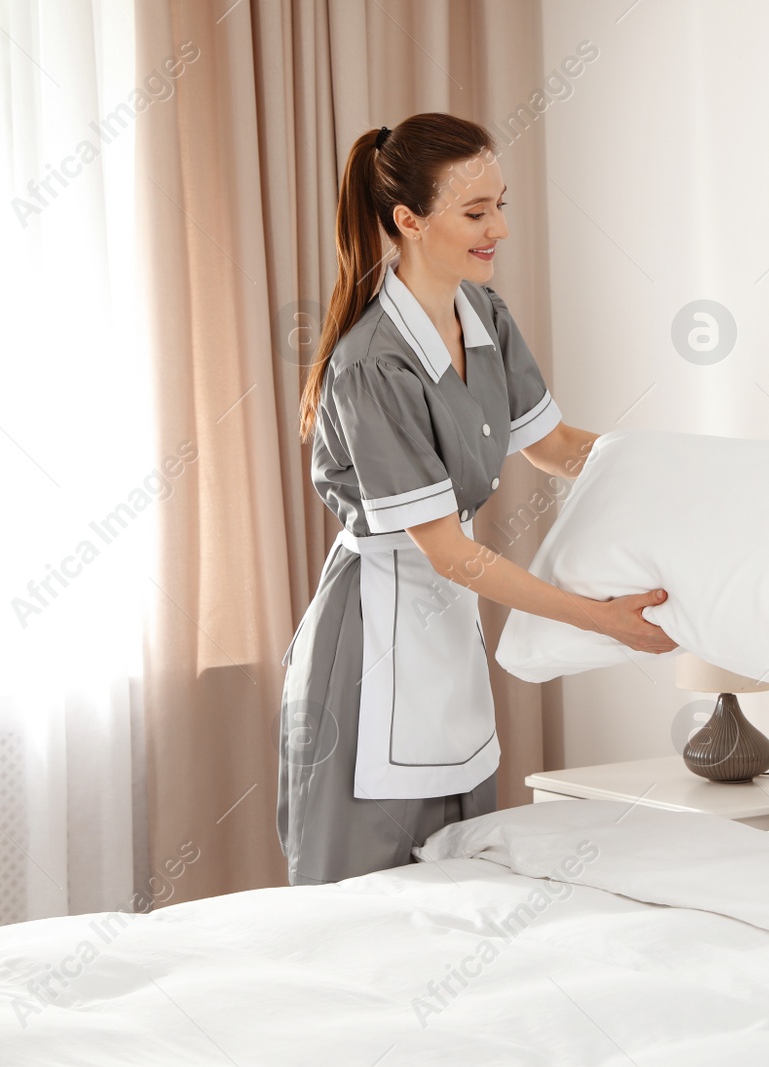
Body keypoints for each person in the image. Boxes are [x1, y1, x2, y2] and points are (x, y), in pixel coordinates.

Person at [276, 112, 677, 886]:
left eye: (501, 204)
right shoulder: (373, 365)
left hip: (444, 632)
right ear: (408, 221)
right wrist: (601, 619)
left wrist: (675, 471)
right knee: (358, 906)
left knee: (459, 895)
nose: (498, 227)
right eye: (475, 212)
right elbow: (450, 552)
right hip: (370, 647)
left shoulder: (483, 314)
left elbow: (557, 448)